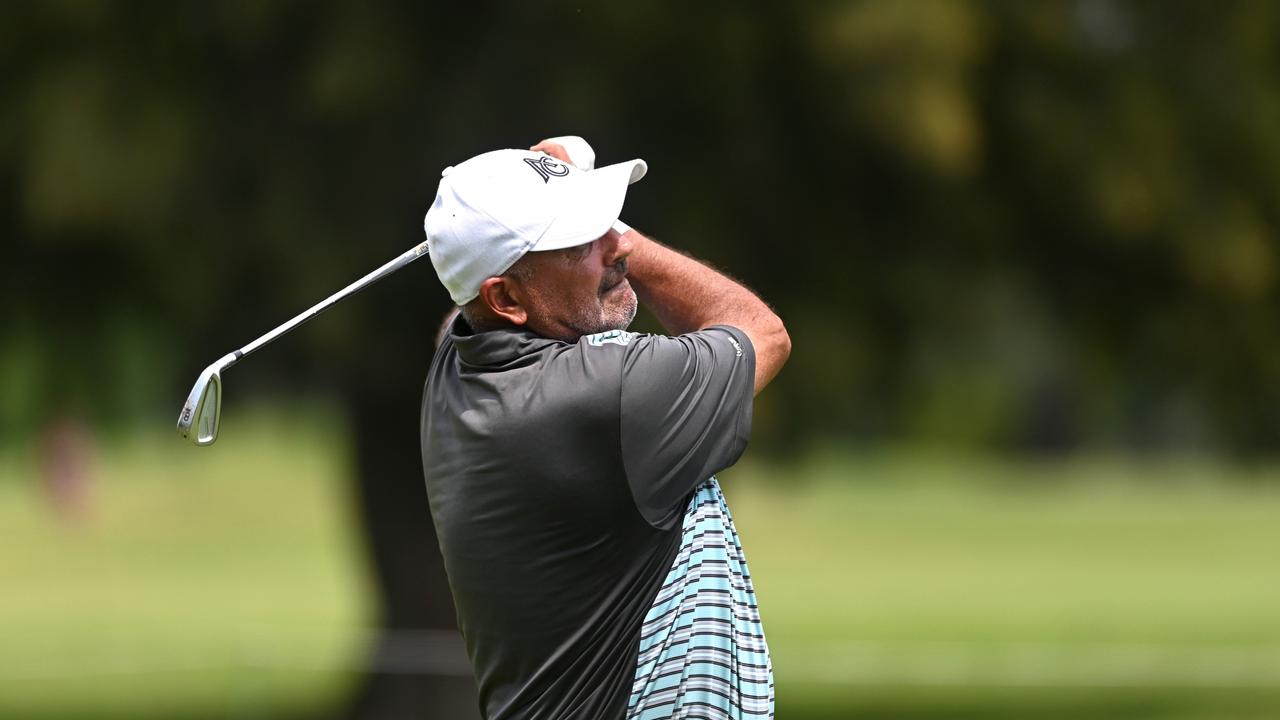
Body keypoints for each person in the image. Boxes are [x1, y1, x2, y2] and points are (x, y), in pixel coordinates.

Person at [420, 136, 791, 720]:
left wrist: (546, 200)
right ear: (508, 298)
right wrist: (629, 239)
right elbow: (760, 332)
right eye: (578, 243)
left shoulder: (455, 370)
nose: (613, 245)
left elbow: (461, 313)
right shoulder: (606, 394)